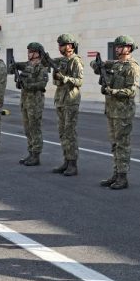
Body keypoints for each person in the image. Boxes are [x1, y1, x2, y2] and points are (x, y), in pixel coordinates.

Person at [92, 36, 140, 190]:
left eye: (121, 46)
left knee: (122, 145)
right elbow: (95, 65)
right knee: (114, 144)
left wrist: (112, 91)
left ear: (129, 48)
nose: (117, 49)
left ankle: (122, 176)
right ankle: (116, 173)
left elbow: (131, 91)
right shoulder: (114, 64)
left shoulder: (132, 67)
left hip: (123, 112)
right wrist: (98, 64)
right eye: (116, 46)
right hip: (112, 110)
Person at [45, 34, 84, 176]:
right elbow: (55, 79)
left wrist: (65, 78)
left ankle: (73, 164)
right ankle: (66, 161)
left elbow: (79, 81)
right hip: (60, 100)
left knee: (70, 132)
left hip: (71, 101)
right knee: (62, 132)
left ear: (70, 46)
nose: (59, 47)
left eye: (62, 45)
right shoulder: (61, 61)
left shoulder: (76, 61)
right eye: (59, 45)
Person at [10, 42, 49, 165]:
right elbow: (16, 67)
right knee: (27, 129)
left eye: (31, 52)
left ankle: (36, 155)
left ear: (38, 53)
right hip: (25, 101)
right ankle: (31, 153)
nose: (29, 54)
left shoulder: (42, 67)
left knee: (34, 128)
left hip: (35, 102)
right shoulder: (28, 65)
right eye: (29, 51)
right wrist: (14, 67)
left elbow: (42, 84)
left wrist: (27, 85)